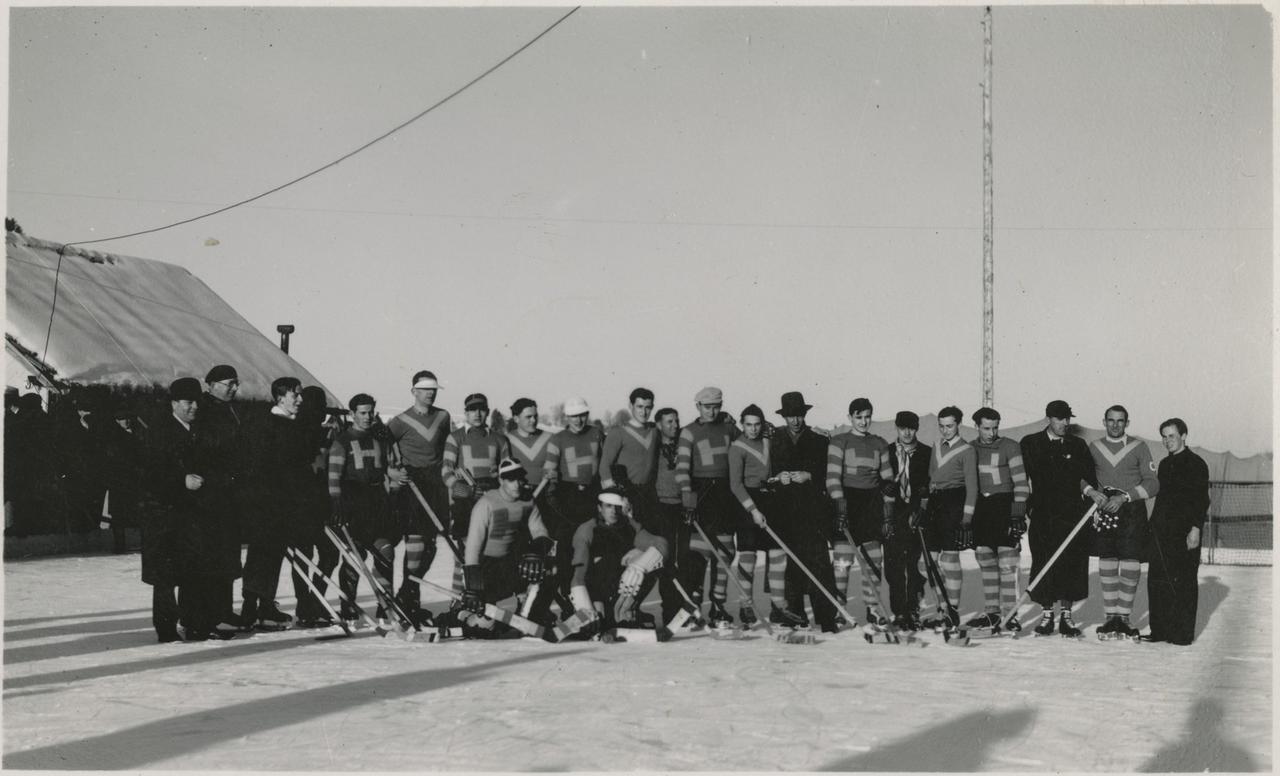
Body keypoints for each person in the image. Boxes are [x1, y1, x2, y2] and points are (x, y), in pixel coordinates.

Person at [143, 378, 234, 641]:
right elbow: (148, 474)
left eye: (196, 401)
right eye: (187, 402)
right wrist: (179, 481)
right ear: (174, 403)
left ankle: (196, 623)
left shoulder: (199, 431)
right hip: (164, 515)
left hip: (194, 515)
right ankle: (166, 629)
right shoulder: (158, 432)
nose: (194, 407)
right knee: (166, 577)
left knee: (195, 571)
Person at [1019, 400, 1099, 637]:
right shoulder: (1031, 443)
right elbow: (1021, 477)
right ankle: (1046, 616)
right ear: (1049, 419)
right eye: (1060, 418)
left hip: (1072, 515)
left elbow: (1086, 478)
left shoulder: (1078, 444)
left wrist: (1090, 494)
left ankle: (1067, 616)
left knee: (1071, 563)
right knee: (1044, 561)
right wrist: (1024, 507)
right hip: (1043, 514)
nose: (1065, 423)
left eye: (1068, 419)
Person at [239, 377, 312, 630]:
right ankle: (250, 608)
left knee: (273, 555)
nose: (300, 400)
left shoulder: (291, 425)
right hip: (266, 504)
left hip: (283, 505)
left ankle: (265, 606)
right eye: (295, 395)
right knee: (261, 555)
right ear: (280, 397)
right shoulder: (269, 425)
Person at [328, 393, 405, 624]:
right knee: (355, 556)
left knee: (385, 550)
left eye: (371, 412)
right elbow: (334, 475)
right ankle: (348, 605)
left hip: (377, 501)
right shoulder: (342, 440)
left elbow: (389, 467)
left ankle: (385, 604)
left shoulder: (379, 438)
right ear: (352, 414)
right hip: (353, 501)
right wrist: (336, 502)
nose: (367, 416)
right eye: (362, 412)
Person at [457, 458, 553, 638]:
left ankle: (533, 614)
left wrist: (536, 551)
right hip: (485, 567)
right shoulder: (486, 503)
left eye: (520, 479)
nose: (517, 484)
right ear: (501, 480)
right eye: (511, 480)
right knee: (485, 624)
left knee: (545, 569)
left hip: (508, 563)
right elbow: (472, 547)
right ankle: (457, 615)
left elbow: (540, 531)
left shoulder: (528, 501)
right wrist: (473, 586)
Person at [1088, 405, 1160, 640]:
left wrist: (1125, 496)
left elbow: (1152, 483)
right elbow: (1082, 478)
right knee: (1107, 558)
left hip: (1131, 511)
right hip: (1105, 510)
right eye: (1111, 420)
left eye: (1120, 421)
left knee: (1130, 559)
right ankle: (1111, 617)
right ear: (1104, 421)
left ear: (1127, 423)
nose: (1115, 425)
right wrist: (1092, 493)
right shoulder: (1094, 447)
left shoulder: (1139, 447)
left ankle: (1125, 617)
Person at [386, 370, 450, 621]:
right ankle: (408, 601)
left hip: (435, 484)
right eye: (425, 390)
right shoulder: (400, 420)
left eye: (433, 389)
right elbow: (381, 447)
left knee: (431, 547)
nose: (430, 394)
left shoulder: (443, 417)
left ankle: (407, 594)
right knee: (416, 544)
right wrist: (391, 471)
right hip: (411, 485)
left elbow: (448, 448)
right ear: (414, 391)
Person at [769, 392, 836, 631]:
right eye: (790, 416)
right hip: (784, 512)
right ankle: (793, 615)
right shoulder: (774, 439)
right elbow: (767, 474)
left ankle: (826, 617)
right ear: (784, 416)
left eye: (798, 415)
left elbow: (829, 475)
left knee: (818, 562)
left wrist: (810, 476)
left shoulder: (819, 441)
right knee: (790, 564)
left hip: (812, 512)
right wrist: (779, 478)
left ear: (804, 414)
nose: (795, 420)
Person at [675, 386, 741, 627]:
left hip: (725, 493)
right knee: (698, 553)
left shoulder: (729, 429)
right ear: (698, 407)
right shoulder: (689, 433)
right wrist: (688, 501)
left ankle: (718, 604)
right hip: (701, 494)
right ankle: (693, 607)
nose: (712, 412)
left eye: (716, 407)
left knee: (725, 553)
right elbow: (682, 469)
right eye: (707, 407)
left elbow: (745, 449)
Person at [826, 398, 895, 625]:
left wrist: (888, 511)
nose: (863, 421)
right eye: (858, 417)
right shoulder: (839, 441)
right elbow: (832, 477)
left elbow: (887, 479)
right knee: (842, 562)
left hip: (870, 504)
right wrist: (839, 505)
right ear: (850, 418)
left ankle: (873, 609)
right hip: (847, 502)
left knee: (873, 561)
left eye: (867, 416)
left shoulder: (880, 443)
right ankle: (839, 609)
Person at [566, 488, 670, 639]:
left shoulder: (629, 526)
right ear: (599, 508)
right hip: (592, 591)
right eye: (608, 506)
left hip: (619, 588)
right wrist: (585, 608)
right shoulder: (587, 530)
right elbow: (578, 576)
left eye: (617, 507)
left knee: (650, 561)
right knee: (606, 563)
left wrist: (640, 564)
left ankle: (625, 612)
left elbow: (661, 545)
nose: (614, 511)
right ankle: (589, 617)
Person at [1142, 418, 1210, 645]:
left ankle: (1181, 634)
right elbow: (1161, 500)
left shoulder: (1196, 463)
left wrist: (1195, 529)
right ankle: (1159, 631)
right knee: (1158, 581)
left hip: (1185, 533)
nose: (1167, 440)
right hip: (1162, 533)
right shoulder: (1164, 464)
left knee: (1184, 582)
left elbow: (1201, 500)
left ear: (1183, 436)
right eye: (1164, 436)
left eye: (1171, 435)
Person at [965, 407, 1030, 633]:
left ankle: (1010, 615)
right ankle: (992, 613)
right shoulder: (969, 449)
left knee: (1007, 562)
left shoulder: (1010, 446)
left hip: (1004, 506)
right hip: (981, 509)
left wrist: (1018, 513)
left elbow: (1021, 483)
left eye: (995, 428)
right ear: (976, 426)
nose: (991, 433)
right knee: (985, 560)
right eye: (986, 428)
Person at [728, 404, 789, 625]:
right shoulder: (737, 448)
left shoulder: (767, 441)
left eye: (757, 425)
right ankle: (746, 606)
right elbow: (735, 484)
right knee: (748, 555)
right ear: (742, 425)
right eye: (748, 425)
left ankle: (778, 606)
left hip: (769, 499)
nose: (753, 429)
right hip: (746, 502)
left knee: (777, 553)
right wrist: (753, 511)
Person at [443, 392, 510, 595]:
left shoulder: (499, 439)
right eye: (472, 410)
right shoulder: (456, 438)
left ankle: (487, 596)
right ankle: (459, 597)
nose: (477, 414)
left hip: (492, 499)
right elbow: (446, 469)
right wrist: (460, 487)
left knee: (491, 551)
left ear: (487, 412)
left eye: (481, 409)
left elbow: (508, 472)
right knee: (464, 552)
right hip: (466, 501)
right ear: (466, 413)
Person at [198, 364, 248, 631]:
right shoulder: (204, 410)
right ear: (211, 384)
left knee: (229, 554)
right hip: (212, 493)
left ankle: (225, 609)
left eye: (235, 383)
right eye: (228, 383)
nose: (233, 388)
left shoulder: (231, 410)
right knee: (213, 554)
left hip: (231, 494)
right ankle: (212, 612)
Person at [921, 406, 978, 629]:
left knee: (950, 560)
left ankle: (951, 610)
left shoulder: (967, 450)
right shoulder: (936, 446)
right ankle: (941, 607)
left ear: (959, 425)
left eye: (950, 426)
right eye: (942, 426)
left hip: (954, 504)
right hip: (935, 504)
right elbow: (930, 480)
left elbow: (972, 487)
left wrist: (966, 518)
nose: (945, 431)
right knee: (927, 561)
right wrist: (924, 507)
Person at [884, 410, 931, 630]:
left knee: (914, 565)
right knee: (894, 565)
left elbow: (930, 484)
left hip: (915, 514)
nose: (907, 432)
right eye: (903, 428)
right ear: (896, 427)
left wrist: (922, 502)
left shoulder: (926, 453)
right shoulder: (887, 452)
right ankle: (899, 612)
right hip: (893, 513)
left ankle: (913, 609)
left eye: (911, 428)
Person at [505, 397, 552, 490]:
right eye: (528, 417)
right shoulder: (506, 440)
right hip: (518, 494)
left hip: (546, 494)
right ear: (516, 419)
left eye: (535, 416)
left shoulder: (550, 438)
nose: (533, 420)